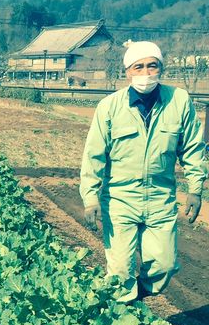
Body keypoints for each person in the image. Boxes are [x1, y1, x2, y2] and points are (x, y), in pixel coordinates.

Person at [79, 40, 205, 303]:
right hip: (120, 199)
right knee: (120, 271)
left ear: (161, 68)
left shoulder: (178, 101)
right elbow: (93, 156)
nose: (146, 73)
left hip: (160, 198)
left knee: (165, 265)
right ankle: (120, 318)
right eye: (139, 66)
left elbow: (192, 148)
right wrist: (90, 197)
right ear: (128, 71)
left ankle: (137, 295)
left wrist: (195, 188)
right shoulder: (110, 107)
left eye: (152, 66)